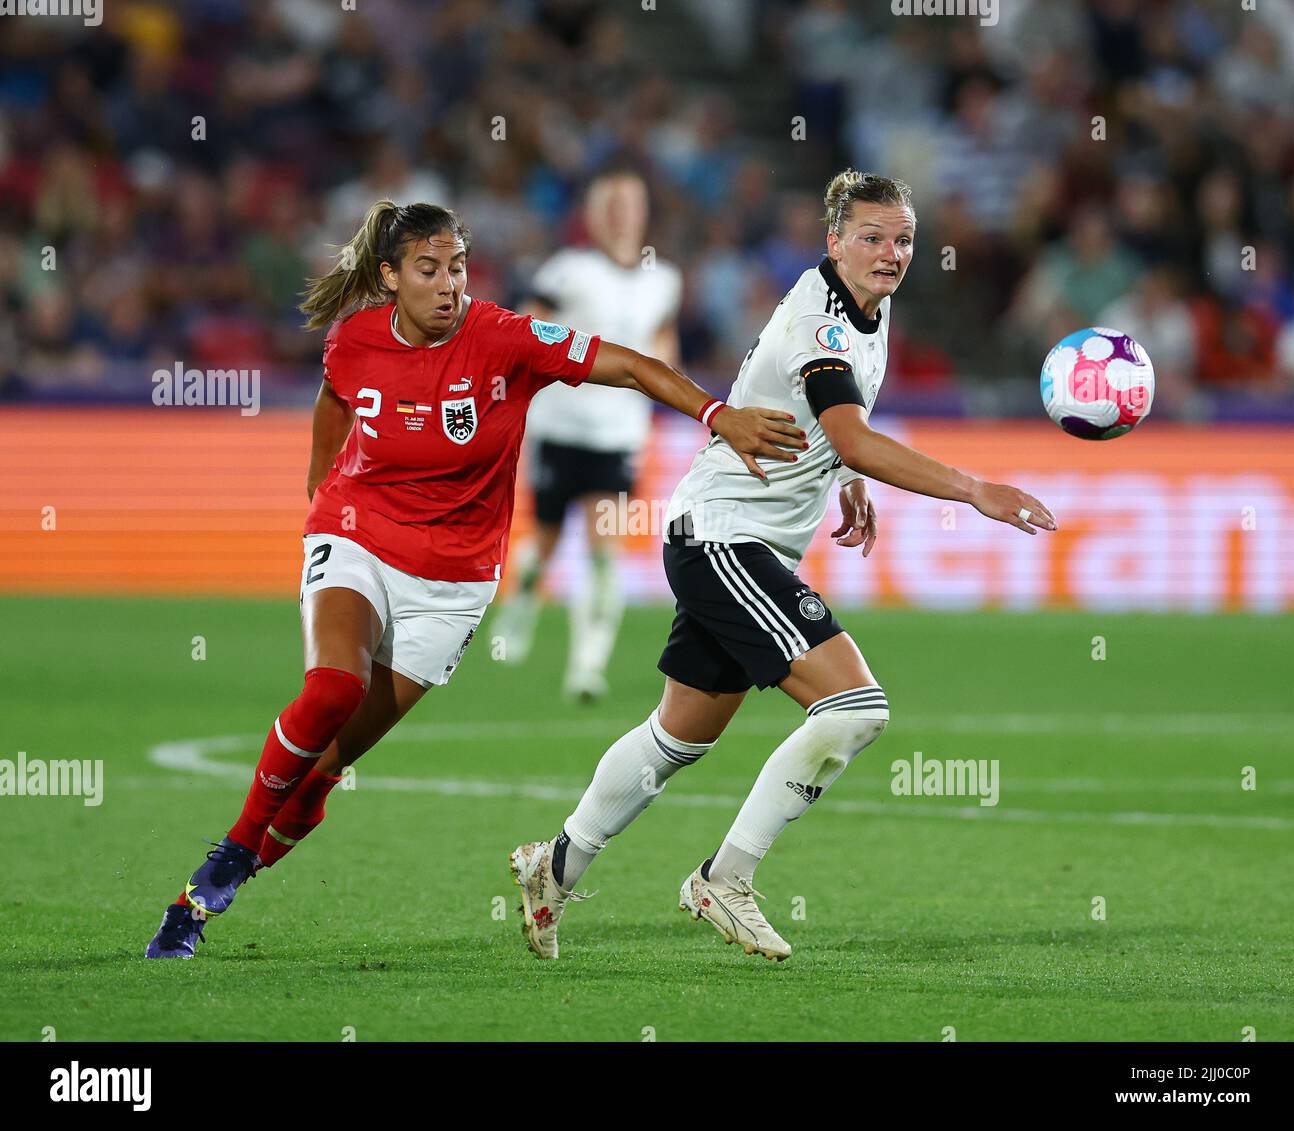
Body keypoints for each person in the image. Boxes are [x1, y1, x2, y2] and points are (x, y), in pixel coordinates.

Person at [144, 199, 804, 959]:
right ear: (390, 276)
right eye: (429, 269)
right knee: (332, 688)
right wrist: (321, 498)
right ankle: (219, 865)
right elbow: (334, 399)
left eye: (457, 266)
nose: (449, 284)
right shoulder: (355, 340)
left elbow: (626, 363)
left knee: (325, 769)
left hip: (452, 583)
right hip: (358, 535)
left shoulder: (502, 338)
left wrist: (714, 412)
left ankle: (219, 881)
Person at [509, 170, 1057, 961]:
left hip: (732, 538)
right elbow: (856, 428)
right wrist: (974, 488)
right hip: (726, 539)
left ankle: (552, 865)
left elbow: (840, 426)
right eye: (871, 237)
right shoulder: (821, 320)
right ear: (833, 241)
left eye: (903, 239)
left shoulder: (872, 302)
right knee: (856, 707)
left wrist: (849, 477)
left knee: (678, 736)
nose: (891, 253)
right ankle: (723, 879)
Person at [491, 165, 682, 700]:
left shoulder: (663, 280)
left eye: (630, 204)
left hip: (619, 434)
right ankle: (523, 599)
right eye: (610, 205)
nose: (621, 215)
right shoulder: (567, 270)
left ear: (644, 213)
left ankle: (586, 667)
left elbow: (666, 351)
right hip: (558, 425)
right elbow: (524, 330)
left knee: (604, 549)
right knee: (546, 542)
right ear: (593, 216)